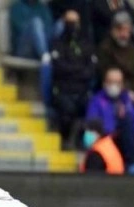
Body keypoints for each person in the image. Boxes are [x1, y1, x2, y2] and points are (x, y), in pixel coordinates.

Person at [86, 67, 134, 164]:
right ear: (104, 83)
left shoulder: (125, 98)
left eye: (117, 83)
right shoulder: (96, 101)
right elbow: (92, 125)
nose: (114, 86)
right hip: (110, 139)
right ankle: (130, 161)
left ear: (122, 84)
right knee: (126, 122)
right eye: (111, 82)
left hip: (129, 137)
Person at [50, 10, 96, 148]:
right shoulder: (57, 43)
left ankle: (81, 142)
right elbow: (59, 68)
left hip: (82, 89)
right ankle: (64, 139)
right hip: (63, 89)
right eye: (69, 22)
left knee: (90, 107)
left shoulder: (86, 44)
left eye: (75, 22)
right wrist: (78, 69)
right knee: (67, 109)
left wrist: (72, 70)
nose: (72, 26)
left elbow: (91, 69)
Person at [96, 12, 134, 102]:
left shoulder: (133, 49)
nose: (124, 34)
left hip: (132, 91)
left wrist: (133, 91)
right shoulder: (105, 48)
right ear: (113, 30)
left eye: (127, 30)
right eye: (120, 30)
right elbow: (105, 76)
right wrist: (125, 92)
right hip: (113, 91)